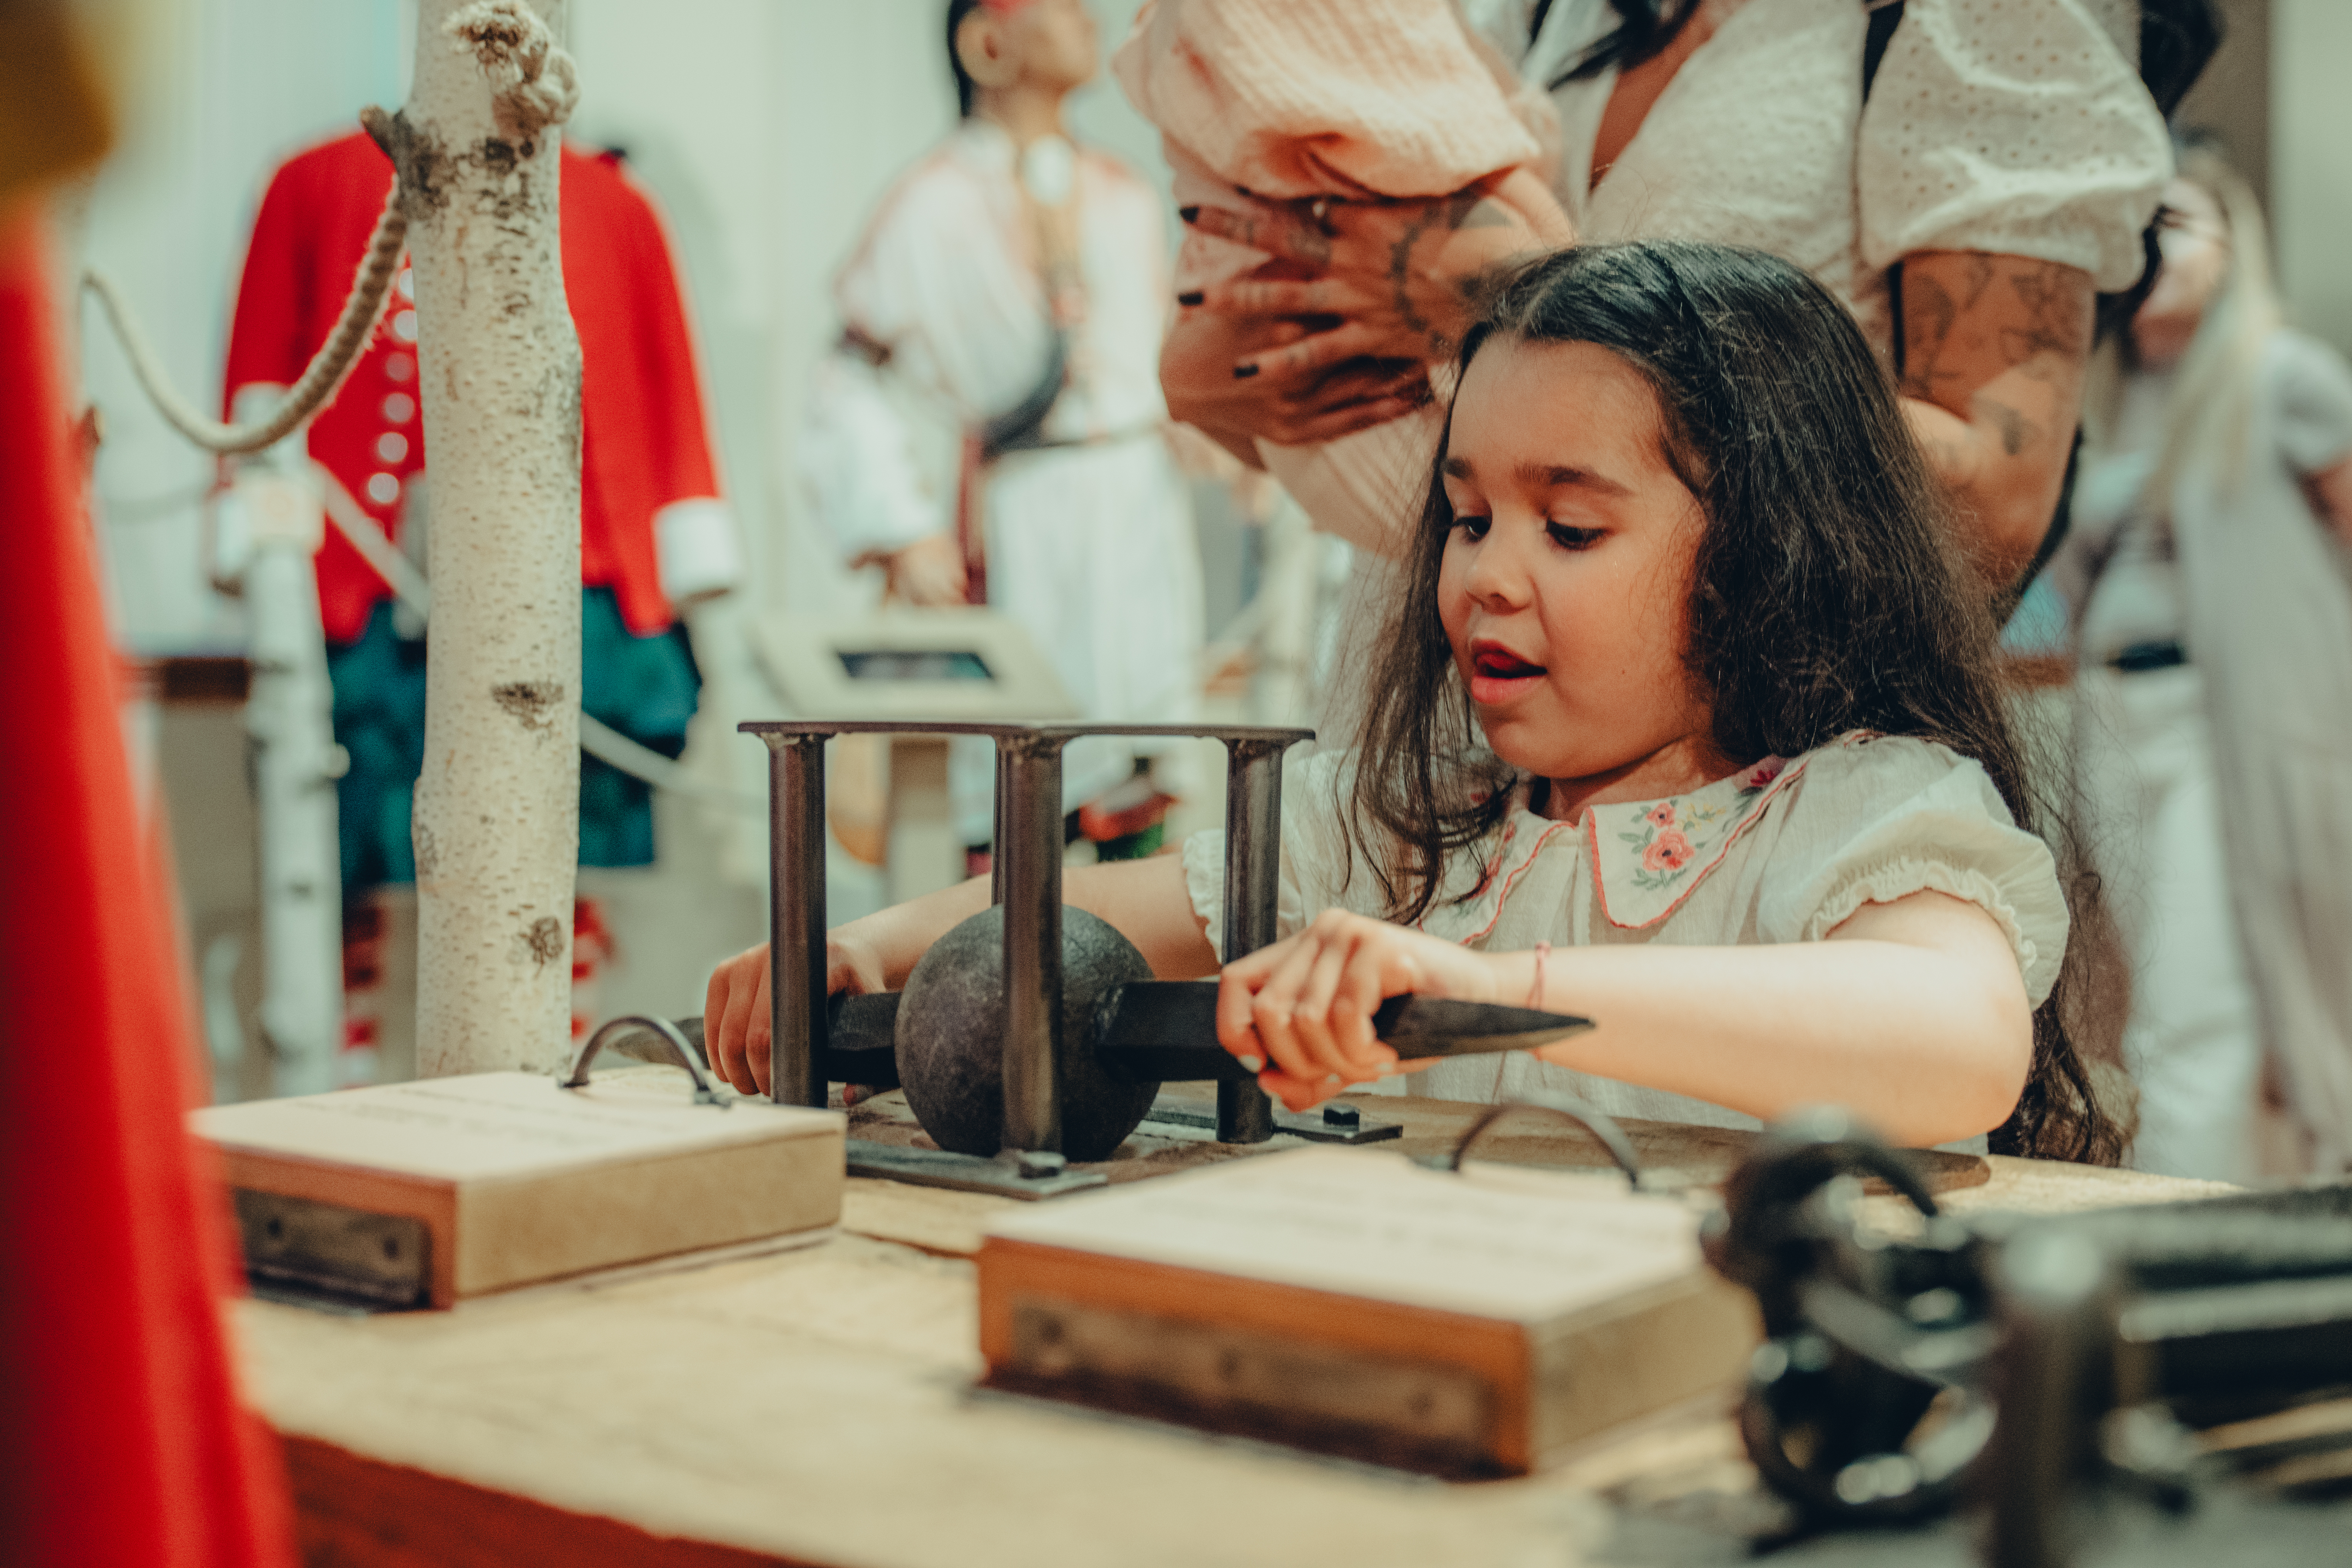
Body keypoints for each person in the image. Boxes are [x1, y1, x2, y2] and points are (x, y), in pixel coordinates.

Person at [710, 241, 2115, 1163]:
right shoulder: (1411, 840)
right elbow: (1109, 907)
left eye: (1569, 530)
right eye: (1466, 517)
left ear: (1769, 546)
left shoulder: (1867, 810)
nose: (1488, 576)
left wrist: (1495, 994)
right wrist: (861, 949)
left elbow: (1954, 1039)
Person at [1132, 0, 2178, 598]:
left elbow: (1990, 500)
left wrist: (1512, 293)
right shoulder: (1563, 13)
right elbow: (1399, 408)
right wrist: (1217, 375)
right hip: (1432, 732)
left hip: (1739, 772)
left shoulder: (1980, 20)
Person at [224, 129, 742, 1049]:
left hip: (579, 580)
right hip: (373, 589)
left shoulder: (613, 202)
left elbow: (666, 381)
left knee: (563, 866)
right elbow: (265, 375)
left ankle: (553, 1067)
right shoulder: (312, 182)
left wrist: (681, 555)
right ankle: (349, 1083)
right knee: (355, 860)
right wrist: (261, 543)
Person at [800, 0, 1205, 865]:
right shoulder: (931, 202)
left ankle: (1133, 976)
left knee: (1144, 756)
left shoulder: (1127, 195)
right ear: (986, 40)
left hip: (1136, 506)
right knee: (1019, 772)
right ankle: (1007, 985)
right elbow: (844, 373)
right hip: (1026, 513)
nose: (1082, 19)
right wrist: (900, 525)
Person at [2057, 143, 2352, 1179]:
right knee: (2156, 1005)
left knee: (2202, 1015)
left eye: (2169, 224)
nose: (2144, 250)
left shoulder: (2282, 378)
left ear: (2232, 244)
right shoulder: (2098, 403)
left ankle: (2175, 1251)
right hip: (2110, 720)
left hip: (2229, 722)